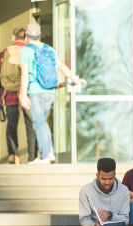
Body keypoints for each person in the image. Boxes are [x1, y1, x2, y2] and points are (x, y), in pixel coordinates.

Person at [20, 23, 86, 164]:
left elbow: (24, 75)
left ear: (26, 35)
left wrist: (22, 95)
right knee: (43, 122)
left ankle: (44, 156)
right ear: (40, 34)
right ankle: (49, 152)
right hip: (50, 91)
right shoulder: (49, 49)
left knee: (38, 123)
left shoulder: (25, 51)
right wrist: (74, 79)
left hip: (36, 91)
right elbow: (62, 67)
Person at [0, 27, 37, 164]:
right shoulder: (30, 51)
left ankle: (13, 155)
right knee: (31, 126)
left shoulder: (4, 53)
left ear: (13, 37)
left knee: (11, 125)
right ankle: (32, 158)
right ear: (25, 38)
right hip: (28, 95)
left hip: (10, 95)